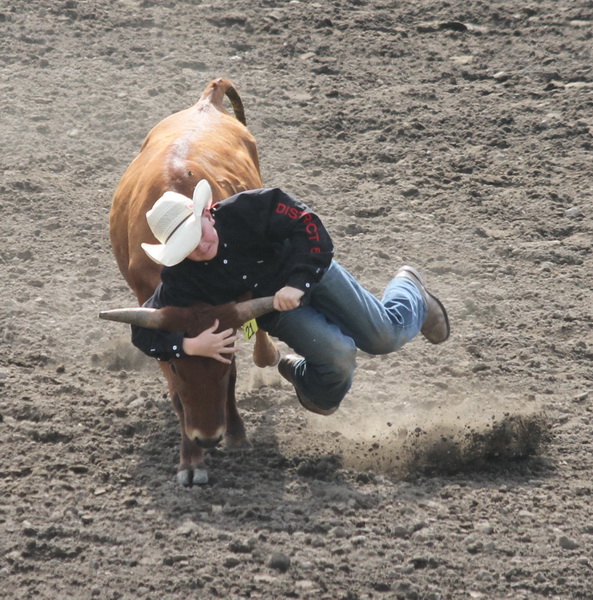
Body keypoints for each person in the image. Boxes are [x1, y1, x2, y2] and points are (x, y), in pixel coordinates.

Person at [132, 180, 450, 415]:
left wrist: (298, 282)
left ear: (208, 214)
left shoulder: (250, 208)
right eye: (188, 247)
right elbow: (143, 329)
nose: (201, 247)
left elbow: (306, 223)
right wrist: (188, 345)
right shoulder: (182, 279)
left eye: (199, 233)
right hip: (277, 311)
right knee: (337, 361)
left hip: (313, 271)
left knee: (384, 338)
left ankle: (411, 290)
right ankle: (304, 379)